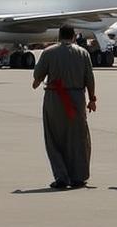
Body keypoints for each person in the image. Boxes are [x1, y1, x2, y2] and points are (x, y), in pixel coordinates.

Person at [32, 24, 96, 189]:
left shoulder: (49, 52)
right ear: (74, 36)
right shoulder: (83, 53)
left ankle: (61, 176)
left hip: (55, 98)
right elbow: (90, 78)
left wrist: (37, 81)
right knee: (78, 138)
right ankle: (79, 176)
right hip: (77, 98)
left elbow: (38, 75)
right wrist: (92, 99)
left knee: (53, 138)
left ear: (59, 36)